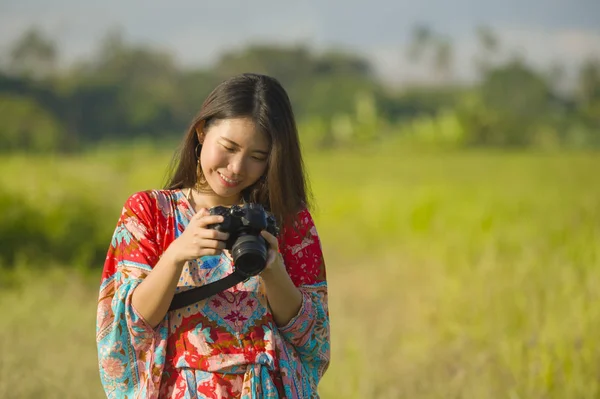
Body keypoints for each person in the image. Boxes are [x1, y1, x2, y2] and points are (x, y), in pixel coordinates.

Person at [95, 73, 330, 398]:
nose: (236, 167)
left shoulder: (289, 221)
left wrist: (273, 270)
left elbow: (312, 335)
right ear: (202, 131)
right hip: (181, 388)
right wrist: (177, 254)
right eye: (229, 147)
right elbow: (128, 327)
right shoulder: (149, 212)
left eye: (257, 157)